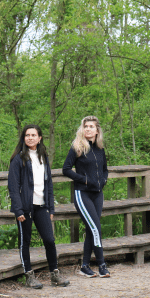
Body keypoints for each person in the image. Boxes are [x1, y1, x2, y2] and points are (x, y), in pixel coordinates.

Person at [8, 125, 70, 289]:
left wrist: (51, 207)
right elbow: (13, 187)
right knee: (25, 242)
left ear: (39, 138)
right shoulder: (18, 159)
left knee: (49, 239)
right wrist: (18, 209)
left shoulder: (43, 157)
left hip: (42, 206)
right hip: (25, 208)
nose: (30, 138)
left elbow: (48, 184)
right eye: (27, 135)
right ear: (23, 138)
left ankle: (54, 274)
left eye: (33, 135)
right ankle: (29, 275)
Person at [63, 116, 110, 278]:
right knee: (96, 228)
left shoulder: (100, 149)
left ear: (97, 130)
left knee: (92, 229)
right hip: (82, 194)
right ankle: (102, 265)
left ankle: (85, 266)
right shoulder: (77, 147)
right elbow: (66, 169)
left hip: (98, 194)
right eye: (85, 126)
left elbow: (105, 169)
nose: (88, 129)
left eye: (91, 126)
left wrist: (103, 181)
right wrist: (84, 180)